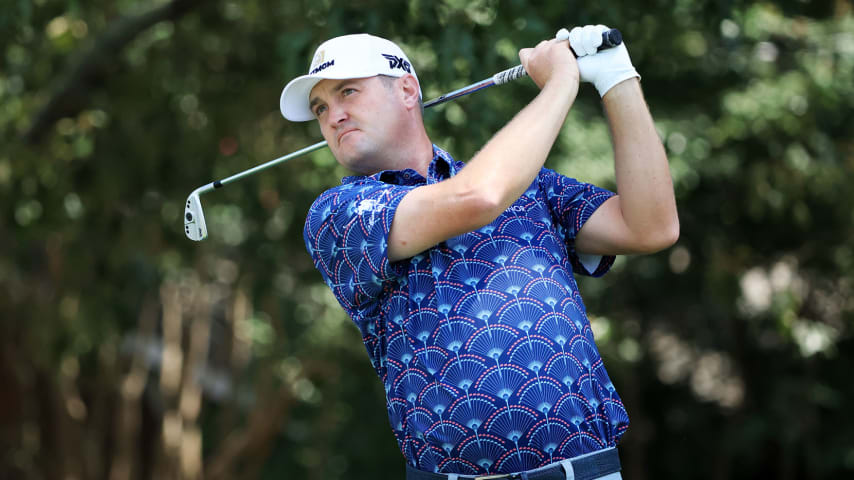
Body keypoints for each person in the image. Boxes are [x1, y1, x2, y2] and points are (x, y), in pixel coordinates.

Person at [280, 25, 678, 480]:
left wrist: (616, 78)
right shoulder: (337, 214)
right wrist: (562, 82)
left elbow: (652, 226)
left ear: (407, 89)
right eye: (320, 107)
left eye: (348, 91)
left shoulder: (529, 185)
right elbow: (479, 198)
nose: (333, 115)